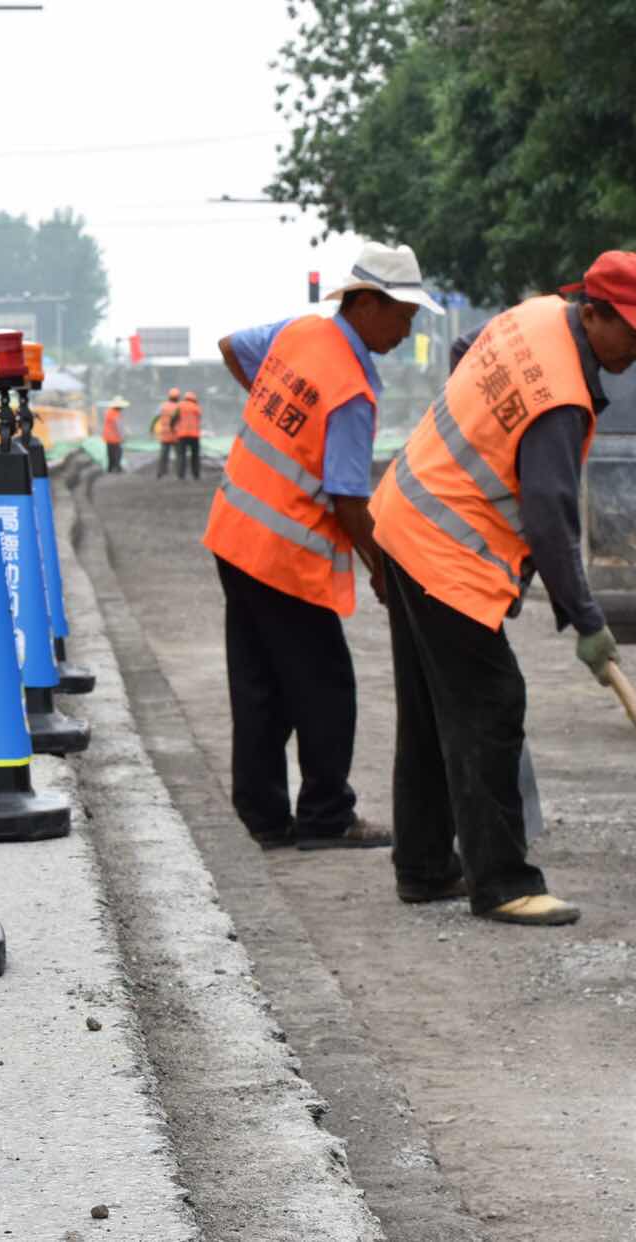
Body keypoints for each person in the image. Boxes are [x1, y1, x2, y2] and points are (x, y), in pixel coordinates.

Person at [368, 250, 636, 923]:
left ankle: (424, 867)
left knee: (430, 711)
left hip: (404, 509)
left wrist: (484, 428)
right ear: (593, 314)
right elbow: (550, 518)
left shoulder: (534, 315)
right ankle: (503, 883)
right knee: (490, 703)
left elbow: (464, 349)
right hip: (444, 547)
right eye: (633, 331)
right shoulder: (560, 399)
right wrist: (587, 620)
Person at [204, 240, 440, 851]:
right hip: (283, 556)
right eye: (402, 317)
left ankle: (262, 817)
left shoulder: (300, 333)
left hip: (233, 531)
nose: (405, 331)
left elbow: (231, 347)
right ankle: (326, 816)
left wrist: (274, 412)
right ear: (367, 304)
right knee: (326, 686)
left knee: (259, 685)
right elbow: (348, 500)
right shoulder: (351, 390)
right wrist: (384, 573)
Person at [174, 390, 203, 480]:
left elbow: (174, 418)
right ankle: (196, 475)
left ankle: (181, 475)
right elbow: (199, 418)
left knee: (182, 455)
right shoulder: (197, 407)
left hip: (182, 435)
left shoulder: (180, 406)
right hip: (194, 435)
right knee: (195, 456)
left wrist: (173, 428)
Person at [155, 387, 180, 478]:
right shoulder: (179, 407)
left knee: (163, 455)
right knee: (179, 455)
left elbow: (156, 418)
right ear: (178, 397)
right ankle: (179, 473)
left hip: (165, 434)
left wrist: (155, 431)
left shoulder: (162, 406)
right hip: (176, 434)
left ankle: (161, 472)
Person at [102, 396, 127, 473]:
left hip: (108, 437)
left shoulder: (109, 412)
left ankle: (110, 469)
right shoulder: (115, 414)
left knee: (110, 454)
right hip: (115, 438)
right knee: (117, 453)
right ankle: (117, 467)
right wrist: (122, 436)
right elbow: (119, 426)